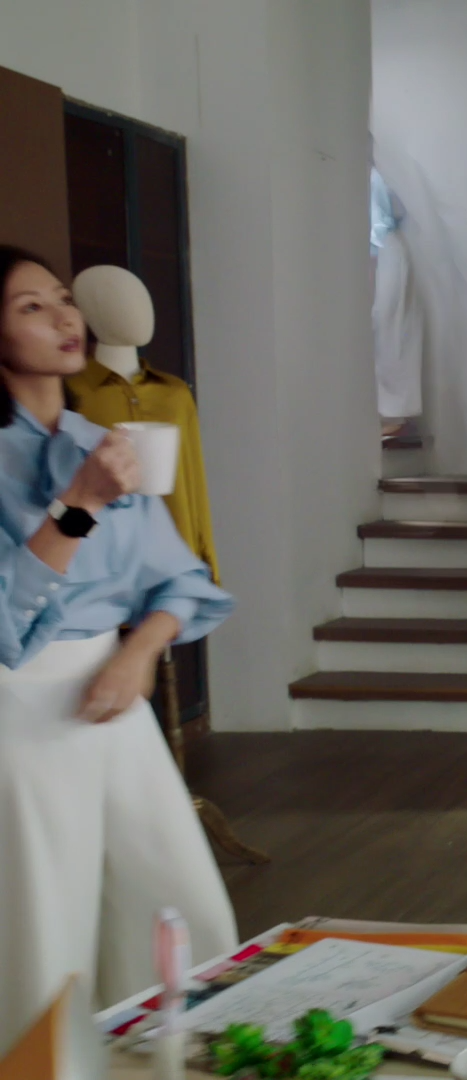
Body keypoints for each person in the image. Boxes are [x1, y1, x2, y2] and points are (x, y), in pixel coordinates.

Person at [0, 247, 237, 1050]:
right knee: (45, 932)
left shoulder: (103, 441)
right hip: (21, 716)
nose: (65, 317)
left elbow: (181, 580)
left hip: (115, 698)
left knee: (180, 902)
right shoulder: (81, 469)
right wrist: (80, 503)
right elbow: (5, 625)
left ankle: (174, 1061)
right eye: (32, 307)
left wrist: (138, 652)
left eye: (62, 298)